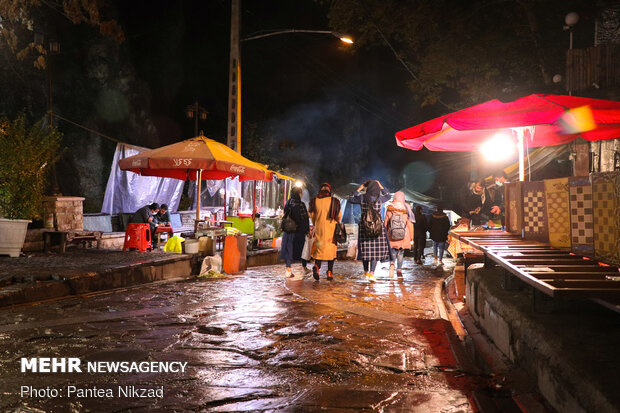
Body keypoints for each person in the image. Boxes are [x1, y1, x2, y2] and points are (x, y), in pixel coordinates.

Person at [348, 180, 391, 281]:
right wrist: (381, 185)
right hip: (377, 227)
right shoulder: (380, 198)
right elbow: (388, 195)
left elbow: (350, 199)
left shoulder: (362, 197)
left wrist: (359, 188)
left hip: (365, 227)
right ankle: (372, 274)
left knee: (365, 251)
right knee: (375, 251)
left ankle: (366, 272)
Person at [308, 183, 342, 281]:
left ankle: (317, 267)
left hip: (319, 229)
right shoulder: (335, 201)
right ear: (329, 191)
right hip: (331, 230)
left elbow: (311, 215)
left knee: (319, 250)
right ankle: (330, 272)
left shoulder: (314, 201)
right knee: (331, 252)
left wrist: (316, 223)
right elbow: (339, 216)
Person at [280, 186, 310, 278]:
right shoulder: (301, 204)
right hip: (298, 231)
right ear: (298, 194)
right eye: (300, 193)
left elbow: (285, 214)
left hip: (288, 230)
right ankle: (304, 268)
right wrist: (307, 230)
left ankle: (288, 270)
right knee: (302, 250)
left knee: (288, 250)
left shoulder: (288, 202)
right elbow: (305, 219)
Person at [384, 191, 414, 277]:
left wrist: (385, 233)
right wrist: (411, 237)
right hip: (404, 235)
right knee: (400, 252)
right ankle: (399, 270)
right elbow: (410, 224)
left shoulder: (390, 208)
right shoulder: (407, 209)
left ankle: (392, 264)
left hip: (391, 234)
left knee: (393, 251)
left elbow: (386, 222)